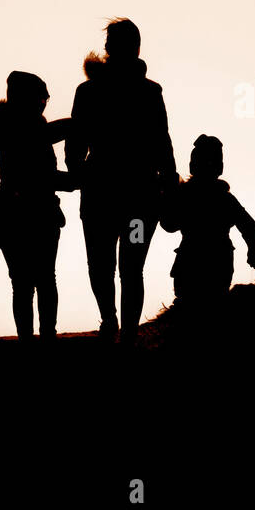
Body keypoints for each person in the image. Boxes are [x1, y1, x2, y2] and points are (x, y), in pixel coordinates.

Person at [64, 19, 177, 345]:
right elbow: (162, 143)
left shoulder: (92, 91)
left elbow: (76, 140)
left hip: (108, 189)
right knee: (126, 267)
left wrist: (77, 171)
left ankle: (115, 324)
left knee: (106, 265)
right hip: (135, 191)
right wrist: (168, 184)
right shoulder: (147, 91)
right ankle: (121, 327)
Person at [0, 72, 76, 341]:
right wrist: (76, 179)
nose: (45, 102)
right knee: (44, 279)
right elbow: (41, 173)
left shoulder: (10, 128)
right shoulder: (27, 129)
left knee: (23, 284)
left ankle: (29, 338)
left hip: (13, 214)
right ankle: (46, 336)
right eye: (41, 97)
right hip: (37, 212)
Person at [159, 135, 255, 332]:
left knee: (193, 311)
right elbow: (248, 225)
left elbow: (169, 225)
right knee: (213, 311)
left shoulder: (187, 196)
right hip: (216, 260)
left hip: (191, 260)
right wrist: (253, 252)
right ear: (220, 168)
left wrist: (165, 198)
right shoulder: (224, 198)